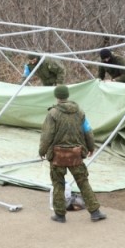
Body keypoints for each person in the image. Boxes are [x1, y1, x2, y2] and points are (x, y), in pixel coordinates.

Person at [39, 85, 106, 223]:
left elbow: (47, 135)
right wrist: (91, 147)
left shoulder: (52, 114)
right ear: (67, 95)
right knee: (83, 182)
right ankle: (95, 212)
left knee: (58, 184)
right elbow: (88, 131)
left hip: (57, 155)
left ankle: (60, 215)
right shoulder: (80, 112)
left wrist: (42, 151)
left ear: (56, 96)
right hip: (76, 154)